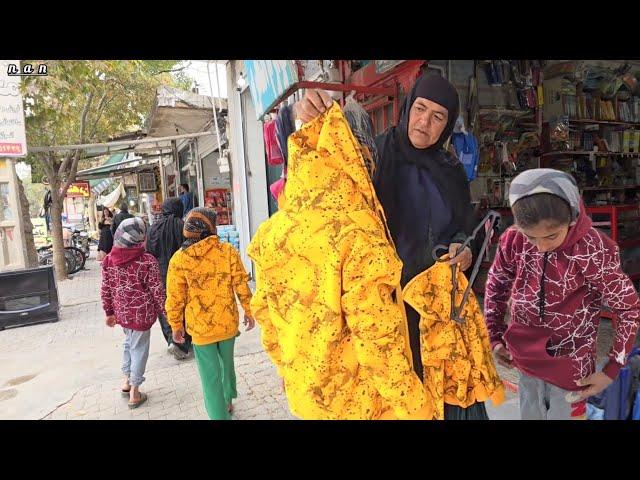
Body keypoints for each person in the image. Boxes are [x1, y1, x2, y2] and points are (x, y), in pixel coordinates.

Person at [294, 73, 485, 419]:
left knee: (447, 397)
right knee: (398, 400)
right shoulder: (374, 155)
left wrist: (464, 248)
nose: (425, 122)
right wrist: (306, 121)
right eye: (421, 109)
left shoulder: (452, 170)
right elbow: (326, 188)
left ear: (447, 125)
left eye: (438, 116)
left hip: (437, 309)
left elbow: (465, 228)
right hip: (386, 309)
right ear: (409, 106)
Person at [484, 169, 640, 420]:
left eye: (551, 235)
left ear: (571, 218)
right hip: (525, 360)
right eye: (531, 236)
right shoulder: (513, 239)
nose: (542, 246)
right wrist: (495, 336)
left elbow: (628, 307)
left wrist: (612, 369)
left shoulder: (592, 248)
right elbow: (497, 283)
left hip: (572, 369)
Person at [165, 208, 255, 420]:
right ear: (211, 228)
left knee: (210, 377)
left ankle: (219, 415)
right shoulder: (227, 252)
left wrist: (175, 325)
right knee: (227, 364)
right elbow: (241, 283)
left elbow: (175, 298)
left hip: (201, 329)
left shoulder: (179, 259)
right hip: (227, 324)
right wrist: (249, 311)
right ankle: (228, 398)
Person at [101, 217, 166, 409]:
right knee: (139, 349)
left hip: (123, 314)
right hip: (142, 314)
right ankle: (135, 392)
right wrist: (168, 314)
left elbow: (106, 288)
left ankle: (127, 381)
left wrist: (109, 312)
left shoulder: (109, 260)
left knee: (129, 344)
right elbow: (157, 291)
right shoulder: (147, 261)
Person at [146, 198, 192, 360]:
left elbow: (149, 253)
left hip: (160, 275)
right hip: (182, 274)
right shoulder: (183, 226)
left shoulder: (152, 229)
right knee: (185, 306)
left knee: (166, 308)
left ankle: (172, 340)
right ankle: (185, 341)